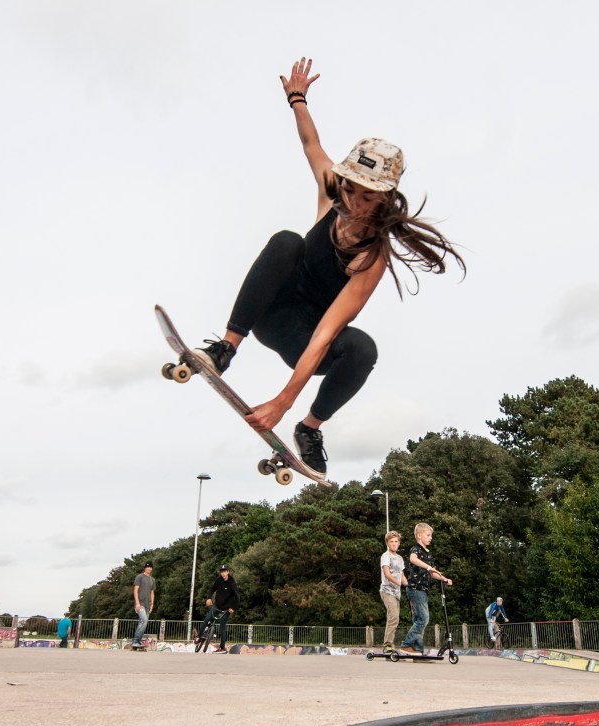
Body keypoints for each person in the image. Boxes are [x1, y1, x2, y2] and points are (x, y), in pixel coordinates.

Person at [192, 56, 465, 476]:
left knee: (362, 348)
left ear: (385, 198)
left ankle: (311, 428)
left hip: (306, 341)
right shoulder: (332, 192)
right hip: (270, 313)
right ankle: (225, 348)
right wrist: (297, 99)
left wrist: (284, 403)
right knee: (287, 241)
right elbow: (311, 146)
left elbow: (325, 335)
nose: (353, 202)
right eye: (350, 189)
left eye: (367, 196)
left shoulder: (371, 258)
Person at [400, 523, 452, 655]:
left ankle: (417, 649)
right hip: (415, 589)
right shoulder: (416, 549)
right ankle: (406, 644)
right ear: (419, 536)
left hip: (422, 590)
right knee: (424, 619)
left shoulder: (427, 553)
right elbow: (413, 559)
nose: (431, 538)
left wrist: (444, 578)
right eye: (428, 535)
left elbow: (432, 573)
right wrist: (428, 567)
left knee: (418, 620)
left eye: (431, 536)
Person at [196, 565, 239, 653]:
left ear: (228, 572)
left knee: (222, 626)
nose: (223, 574)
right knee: (207, 619)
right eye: (221, 572)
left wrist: (233, 608)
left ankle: (222, 648)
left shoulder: (232, 583)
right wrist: (209, 598)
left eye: (224, 572)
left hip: (227, 609)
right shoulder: (219, 580)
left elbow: (237, 597)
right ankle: (199, 636)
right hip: (217, 606)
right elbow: (212, 589)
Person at [379, 531, 408, 653]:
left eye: (396, 541)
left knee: (395, 618)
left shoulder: (400, 558)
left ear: (399, 543)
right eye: (391, 542)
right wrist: (399, 583)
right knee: (393, 617)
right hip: (387, 590)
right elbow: (387, 574)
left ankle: (391, 643)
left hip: (396, 593)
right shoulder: (386, 556)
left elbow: (402, 575)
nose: (394, 544)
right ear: (387, 543)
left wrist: (409, 586)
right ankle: (387, 645)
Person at [132, 561, 156, 650]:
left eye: (151, 567)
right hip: (140, 604)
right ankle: (135, 642)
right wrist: (137, 603)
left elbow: (152, 592)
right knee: (144, 621)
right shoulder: (140, 577)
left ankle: (136, 643)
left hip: (147, 605)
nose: (149, 569)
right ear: (145, 568)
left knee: (143, 624)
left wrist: (152, 604)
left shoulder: (152, 580)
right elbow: (135, 590)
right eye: (148, 567)